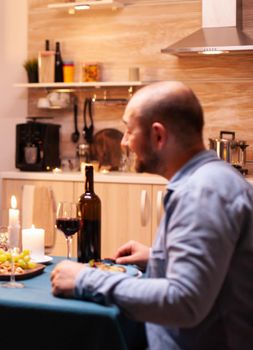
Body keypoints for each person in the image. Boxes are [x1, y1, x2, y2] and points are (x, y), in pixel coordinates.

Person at [51, 81, 253, 349]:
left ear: (158, 135)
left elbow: (184, 301)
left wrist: (84, 279)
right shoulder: (213, 177)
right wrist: (159, 256)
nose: (123, 142)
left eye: (128, 130)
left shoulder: (201, 192)